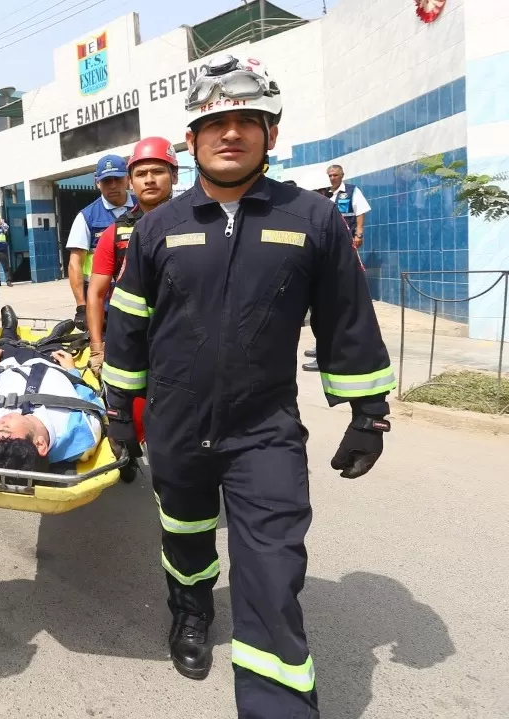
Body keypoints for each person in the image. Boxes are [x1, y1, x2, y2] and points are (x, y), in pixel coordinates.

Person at [99, 54, 395, 718]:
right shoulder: (157, 227)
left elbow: (346, 317)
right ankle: (191, 612)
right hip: (176, 424)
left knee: (271, 572)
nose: (231, 133)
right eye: (215, 122)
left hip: (265, 431)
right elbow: (127, 328)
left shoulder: (311, 220)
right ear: (193, 139)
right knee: (186, 536)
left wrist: (368, 411)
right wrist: (119, 408)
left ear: (271, 132)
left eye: (247, 121)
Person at [0, 310, 103, 472]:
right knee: (55, 346)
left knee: (5, 342)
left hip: (10, 364)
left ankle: (9, 328)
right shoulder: (82, 433)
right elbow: (89, 399)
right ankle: (55, 336)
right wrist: (72, 373)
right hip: (54, 365)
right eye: (5, 428)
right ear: (40, 444)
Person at [86, 136, 179, 376]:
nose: (149, 180)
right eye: (141, 174)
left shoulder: (197, 224)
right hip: (133, 343)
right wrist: (97, 348)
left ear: (174, 176)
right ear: (131, 182)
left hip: (186, 340)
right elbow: (96, 294)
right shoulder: (114, 234)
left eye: (158, 171)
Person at [304, 164, 371, 371]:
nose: (332, 179)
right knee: (320, 305)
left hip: (341, 251)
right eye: (329, 176)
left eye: (335, 176)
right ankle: (323, 346)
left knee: (331, 304)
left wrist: (359, 233)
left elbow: (360, 212)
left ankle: (328, 351)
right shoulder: (327, 198)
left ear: (342, 176)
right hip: (327, 255)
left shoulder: (350, 192)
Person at [66, 153, 134, 330]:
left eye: (117, 179)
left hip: (140, 298)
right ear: (97, 182)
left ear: (127, 178)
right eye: (106, 181)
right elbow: (75, 264)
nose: (112, 185)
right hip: (103, 305)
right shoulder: (86, 217)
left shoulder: (142, 206)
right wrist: (82, 306)